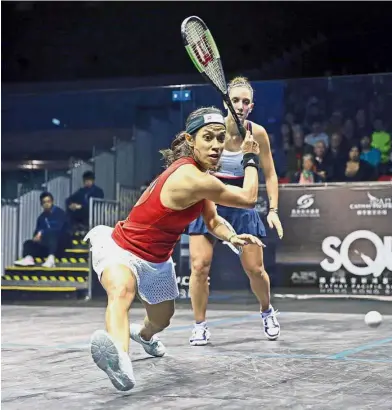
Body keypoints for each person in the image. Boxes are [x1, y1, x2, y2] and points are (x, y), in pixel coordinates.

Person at [85, 106, 264, 391]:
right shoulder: (190, 178)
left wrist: (231, 237)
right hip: (123, 249)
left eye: (220, 138)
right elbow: (249, 197)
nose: (216, 145)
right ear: (191, 140)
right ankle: (120, 361)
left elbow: (214, 220)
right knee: (121, 292)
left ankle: (143, 336)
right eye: (208, 138)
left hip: (157, 262)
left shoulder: (201, 178)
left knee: (161, 319)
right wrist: (251, 157)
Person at [187, 77, 284, 347]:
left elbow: (271, 174)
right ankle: (199, 325)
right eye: (235, 100)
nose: (240, 105)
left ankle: (266, 311)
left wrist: (274, 209)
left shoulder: (258, 134)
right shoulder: (210, 131)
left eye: (245, 101)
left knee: (255, 269)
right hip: (209, 202)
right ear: (225, 102)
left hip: (242, 203)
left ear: (251, 107)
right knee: (199, 266)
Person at [14, 192, 71, 268]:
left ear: (52, 202)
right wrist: (36, 237)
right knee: (28, 243)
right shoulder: (41, 217)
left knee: (52, 234)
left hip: (61, 242)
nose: (47, 204)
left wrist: (42, 233)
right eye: (44, 202)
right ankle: (29, 258)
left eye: (48, 201)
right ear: (41, 204)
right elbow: (37, 231)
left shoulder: (60, 213)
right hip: (47, 244)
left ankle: (51, 259)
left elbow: (59, 229)